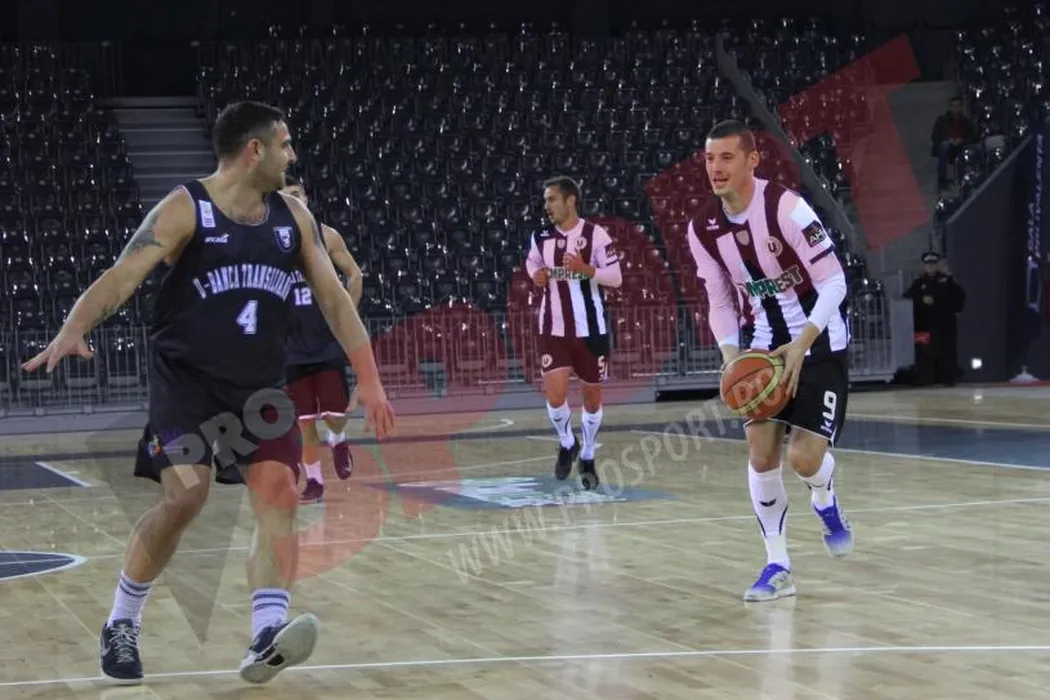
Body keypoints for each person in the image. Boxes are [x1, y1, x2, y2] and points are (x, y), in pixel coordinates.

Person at [22, 101, 395, 685]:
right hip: (187, 385)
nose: (292, 155)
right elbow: (123, 274)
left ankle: (266, 633)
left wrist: (369, 380)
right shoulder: (185, 207)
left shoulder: (293, 218)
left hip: (259, 389)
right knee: (184, 500)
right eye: (285, 144)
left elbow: (334, 300)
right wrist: (75, 327)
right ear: (255, 150)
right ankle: (121, 621)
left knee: (280, 491)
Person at [686, 120, 853, 602]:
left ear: (752, 160)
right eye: (709, 159)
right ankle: (778, 565)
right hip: (762, 344)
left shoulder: (787, 208)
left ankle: (825, 498)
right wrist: (731, 356)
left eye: (726, 157)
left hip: (819, 339)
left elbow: (835, 281)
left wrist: (802, 343)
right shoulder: (702, 228)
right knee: (761, 455)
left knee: (803, 458)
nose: (716, 168)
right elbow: (720, 299)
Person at [525, 175, 622, 490]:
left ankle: (589, 454)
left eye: (551, 199)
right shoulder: (540, 236)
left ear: (570, 201)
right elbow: (531, 263)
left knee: (592, 400)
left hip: (590, 330)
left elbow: (616, 277)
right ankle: (567, 442)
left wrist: (586, 270)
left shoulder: (595, 235)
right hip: (552, 329)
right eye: (545, 200)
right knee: (554, 395)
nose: (546, 206)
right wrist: (536, 275)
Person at [280, 175, 364, 503]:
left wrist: (346, 314)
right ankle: (314, 482)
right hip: (291, 346)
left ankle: (338, 439)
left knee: (335, 415)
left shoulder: (327, 236)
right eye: (286, 196)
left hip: (326, 341)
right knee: (304, 423)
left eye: (297, 194)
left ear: (306, 198)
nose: (293, 200)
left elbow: (354, 274)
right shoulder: (270, 242)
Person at [903, 251, 965, 386]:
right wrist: (922, 298)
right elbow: (907, 296)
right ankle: (925, 379)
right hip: (924, 324)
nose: (930, 267)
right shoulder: (919, 282)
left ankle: (947, 379)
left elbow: (960, 295)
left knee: (946, 351)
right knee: (924, 351)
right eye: (928, 264)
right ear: (924, 266)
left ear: (937, 265)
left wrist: (957, 311)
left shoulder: (947, 280)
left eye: (933, 264)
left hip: (944, 324)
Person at [930, 96, 977, 191]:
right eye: (953, 106)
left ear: (961, 107)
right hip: (946, 147)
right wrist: (948, 140)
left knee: (974, 148)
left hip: (961, 146)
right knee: (944, 145)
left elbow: (973, 137)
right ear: (949, 107)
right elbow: (935, 136)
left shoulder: (967, 122)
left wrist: (961, 140)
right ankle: (942, 180)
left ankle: (969, 178)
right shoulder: (941, 120)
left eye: (957, 105)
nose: (955, 108)